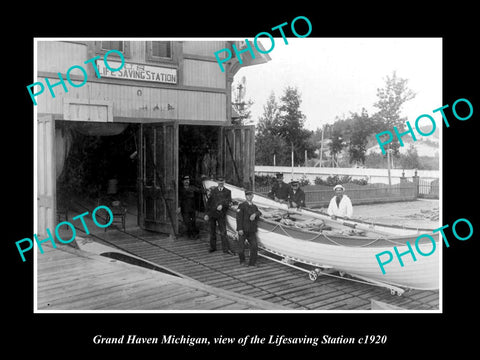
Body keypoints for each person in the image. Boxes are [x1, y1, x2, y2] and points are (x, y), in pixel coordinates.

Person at [204, 177, 234, 254]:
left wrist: (222, 205)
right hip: (212, 214)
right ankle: (212, 247)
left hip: (221, 215)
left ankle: (226, 249)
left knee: (223, 232)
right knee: (212, 231)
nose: (220, 183)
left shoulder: (228, 192)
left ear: (224, 181)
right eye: (219, 181)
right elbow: (209, 203)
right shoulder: (213, 191)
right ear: (217, 182)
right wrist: (207, 214)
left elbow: (229, 202)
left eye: (222, 181)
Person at [236, 190, 262, 267]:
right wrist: (239, 229)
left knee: (254, 246)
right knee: (241, 248)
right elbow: (239, 218)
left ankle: (252, 263)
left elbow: (259, 212)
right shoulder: (242, 205)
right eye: (247, 195)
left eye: (250, 195)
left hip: (251, 230)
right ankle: (242, 261)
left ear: (253, 196)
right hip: (243, 230)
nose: (249, 196)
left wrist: (255, 214)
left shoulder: (254, 206)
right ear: (245, 196)